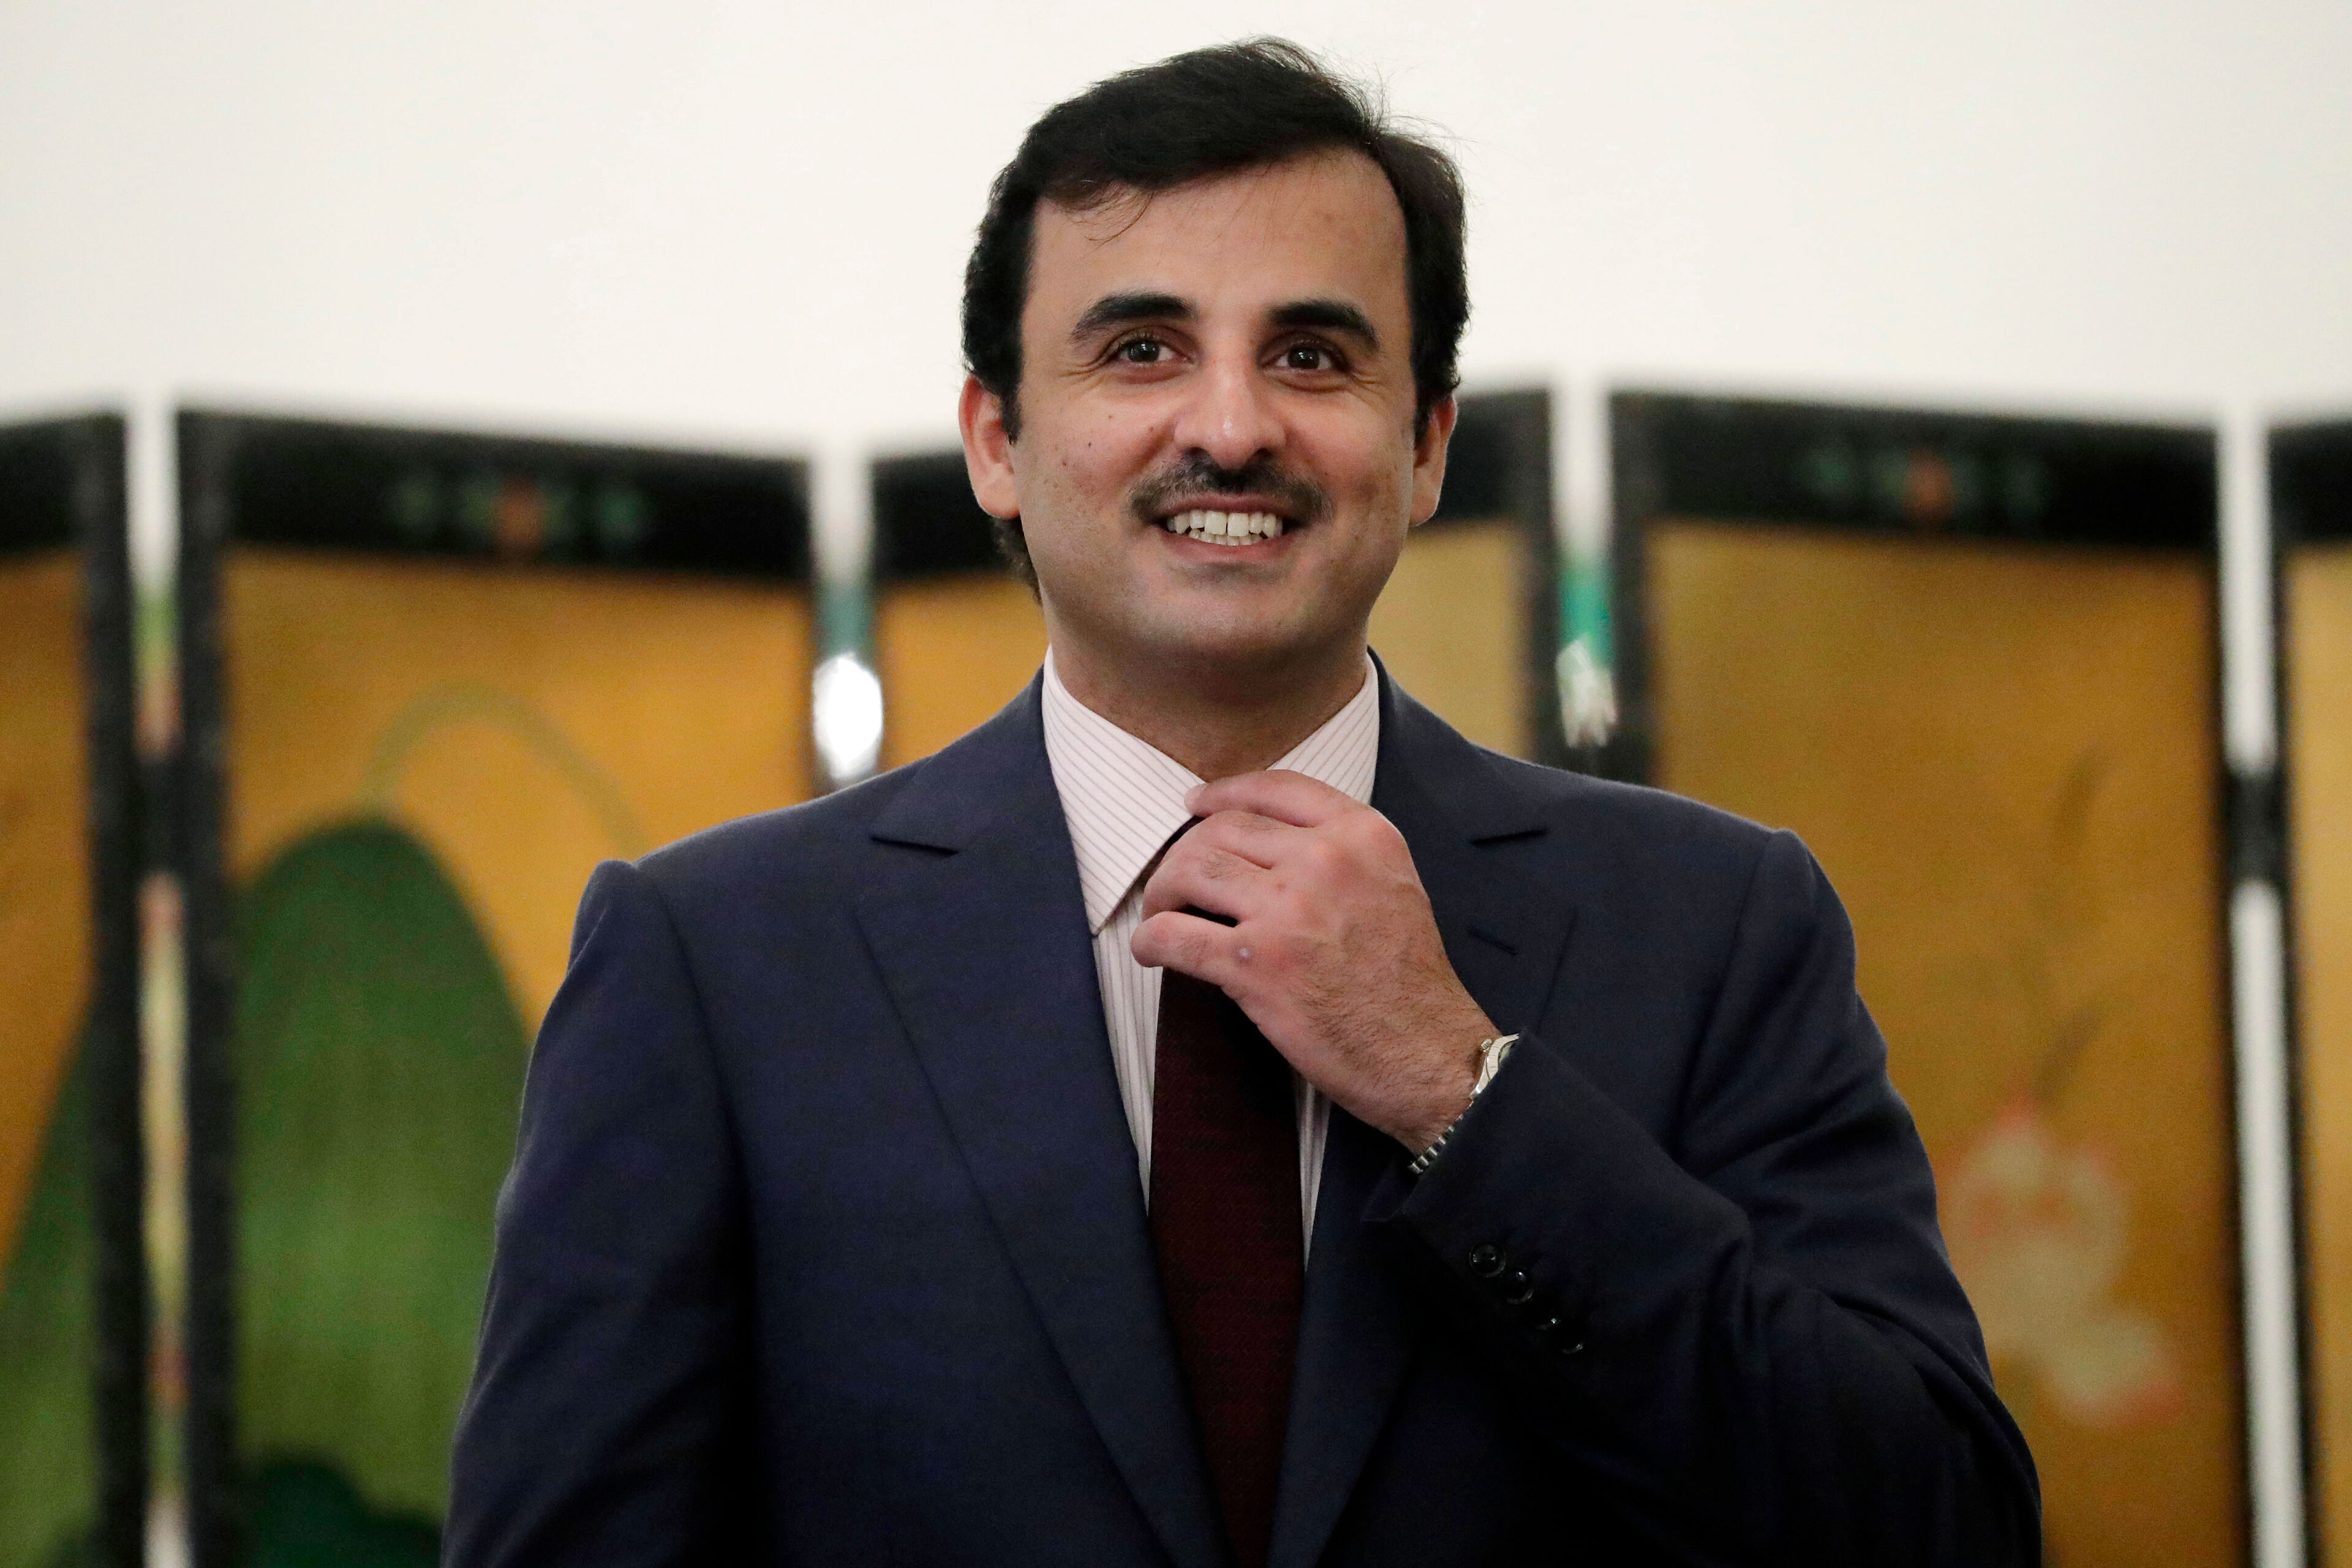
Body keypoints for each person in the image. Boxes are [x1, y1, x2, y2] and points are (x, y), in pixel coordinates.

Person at [446, 38, 2039, 1567]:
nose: (1229, 426)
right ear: (996, 441)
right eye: (1142, 350)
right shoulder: (717, 963)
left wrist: (1459, 1089)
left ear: (1426, 448)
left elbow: (1939, 1529)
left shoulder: (1714, 926)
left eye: (1312, 356)